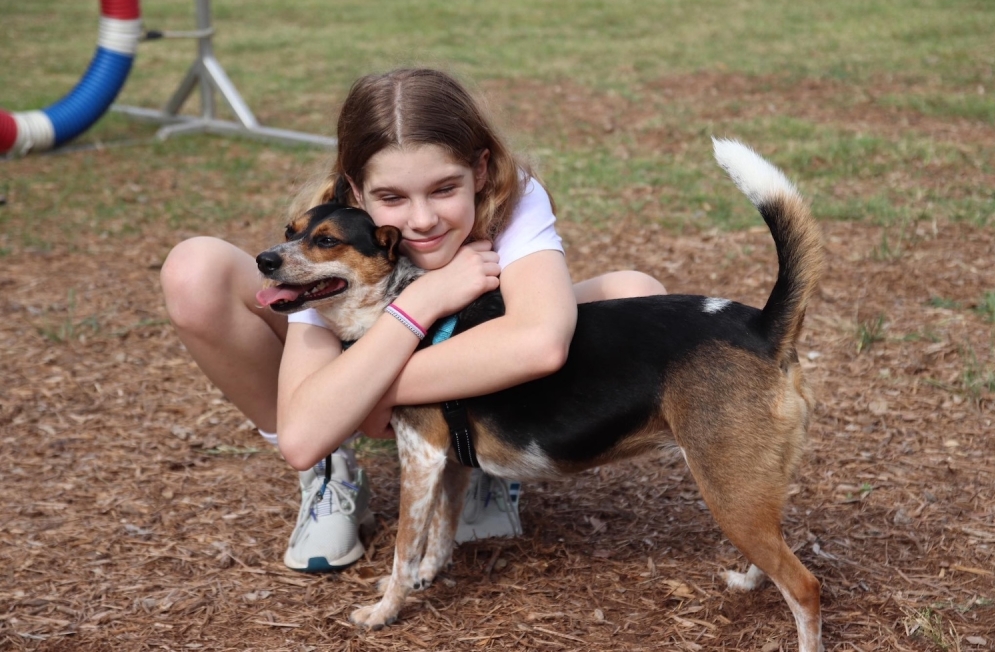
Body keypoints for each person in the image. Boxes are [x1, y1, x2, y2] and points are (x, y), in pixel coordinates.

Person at [160, 67, 665, 572]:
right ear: (356, 191)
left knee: (636, 295)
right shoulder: (330, 238)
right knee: (194, 271)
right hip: (372, 347)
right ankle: (333, 475)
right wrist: (420, 304)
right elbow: (302, 437)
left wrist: (367, 392)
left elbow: (542, 344)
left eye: (445, 188)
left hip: (448, 344)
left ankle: (482, 446)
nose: (422, 220)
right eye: (393, 198)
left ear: (481, 171)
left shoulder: (512, 197)